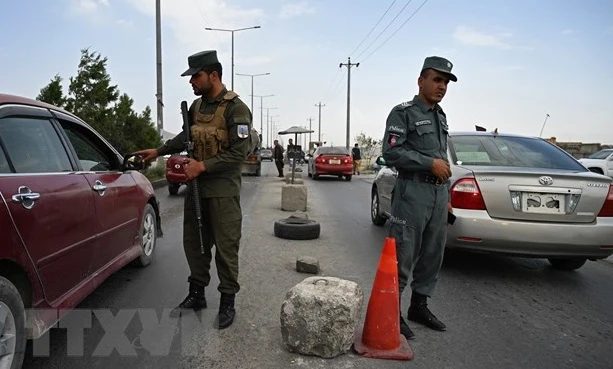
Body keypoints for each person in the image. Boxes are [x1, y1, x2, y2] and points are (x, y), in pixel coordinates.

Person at [134, 50, 252, 329]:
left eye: (196, 76)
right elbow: (183, 138)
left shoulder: (237, 109)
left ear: (214, 75)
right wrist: (159, 151)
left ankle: (227, 302)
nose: (191, 82)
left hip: (222, 192)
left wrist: (203, 166)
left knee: (226, 248)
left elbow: (240, 152)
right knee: (194, 245)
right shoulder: (197, 107)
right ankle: (197, 294)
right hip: (196, 189)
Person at [381, 56, 457, 340]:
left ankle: (419, 306)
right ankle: (392, 310)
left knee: (433, 254)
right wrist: (428, 165)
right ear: (421, 80)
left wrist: (445, 193)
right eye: (437, 80)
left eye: (446, 82)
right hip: (412, 192)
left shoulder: (440, 116)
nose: (442, 87)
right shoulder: (403, 113)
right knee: (403, 253)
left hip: (437, 194)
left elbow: (441, 157)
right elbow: (390, 153)